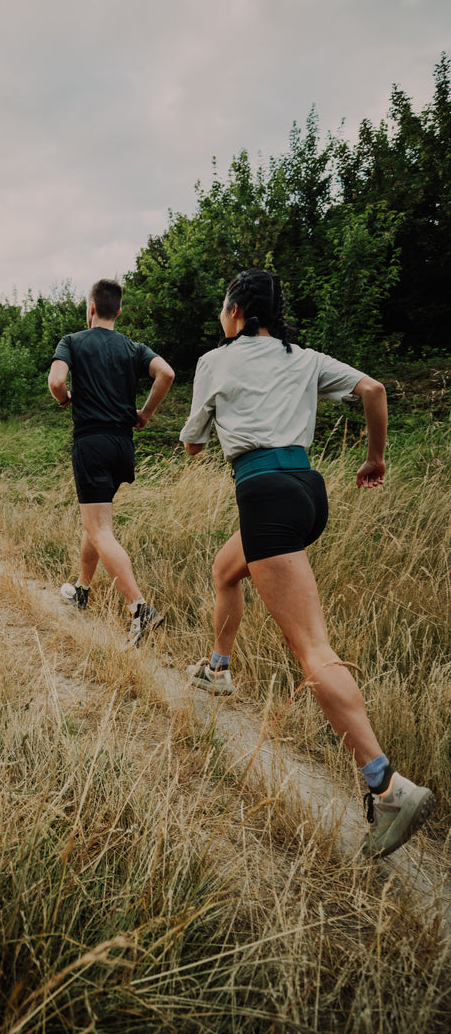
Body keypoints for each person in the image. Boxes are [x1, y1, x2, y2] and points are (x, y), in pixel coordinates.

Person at [180, 267, 434, 858]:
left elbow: (192, 444)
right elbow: (373, 390)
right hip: (306, 491)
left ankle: (387, 785)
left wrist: (209, 428)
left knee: (313, 652)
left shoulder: (216, 360)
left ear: (237, 310)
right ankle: (218, 669)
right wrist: (375, 459)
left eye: (224, 307)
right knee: (226, 570)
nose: (222, 316)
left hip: (264, 493)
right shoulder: (305, 357)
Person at [49, 278, 175, 645]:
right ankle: (82, 589)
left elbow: (57, 382)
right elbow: (166, 373)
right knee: (96, 522)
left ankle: (139, 608)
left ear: (90, 309)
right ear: (118, 311)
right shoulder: (133, 348)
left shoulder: (72, 341)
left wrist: (65, 399)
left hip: (92, 443)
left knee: (100, 529)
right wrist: (146, 413)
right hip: (123, 444)